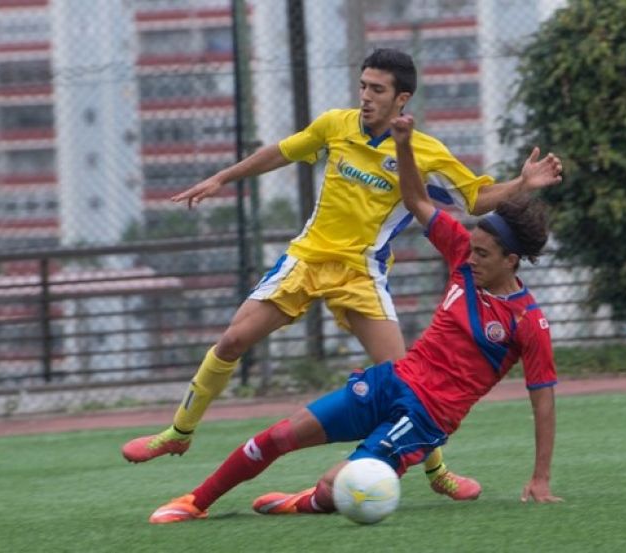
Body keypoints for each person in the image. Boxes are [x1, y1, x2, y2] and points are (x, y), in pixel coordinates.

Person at [122, 48, 562, 501]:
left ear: (402, 98)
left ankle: (437, 471)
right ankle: (178, 431)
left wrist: (521, 185)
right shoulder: (336, 124)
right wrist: (223, 178)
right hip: (307, 259)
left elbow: (476, 199)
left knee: (404, 375)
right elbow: (281, 152)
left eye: (377, 89)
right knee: (233, 340)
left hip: (361, 272)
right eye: (363, 86)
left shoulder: (425, 150)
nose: (366, 97)